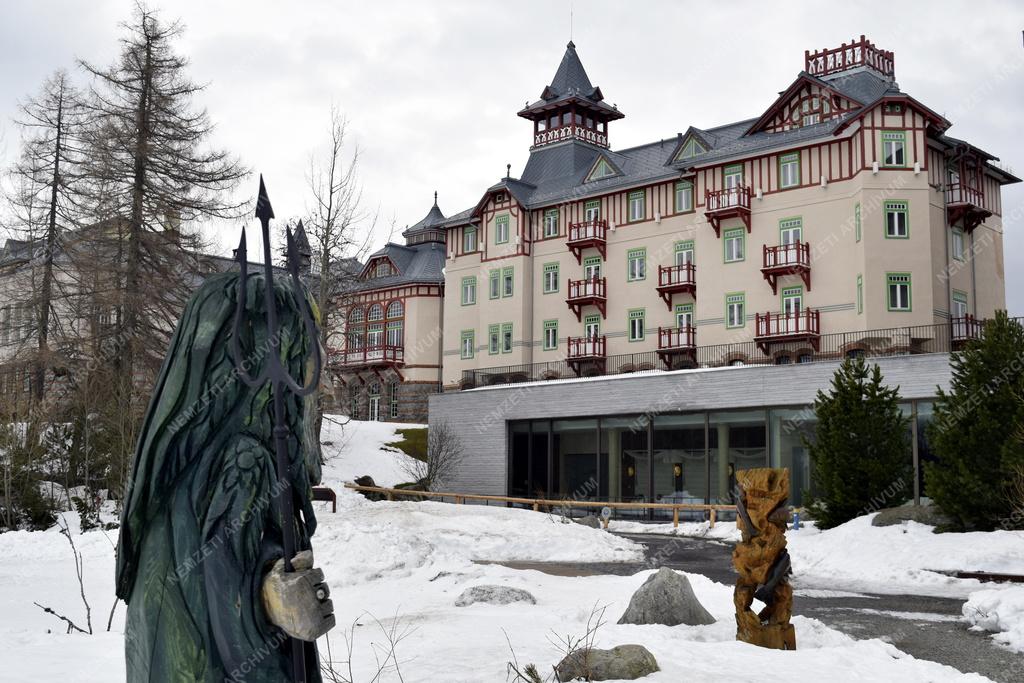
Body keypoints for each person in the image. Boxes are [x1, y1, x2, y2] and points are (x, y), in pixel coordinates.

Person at [116, 271, 334, 682]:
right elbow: (236, 629)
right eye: (308, 342)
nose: (317, 360)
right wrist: (273, 599)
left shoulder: (181, 462)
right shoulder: (243, 461)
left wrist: (267, 581)